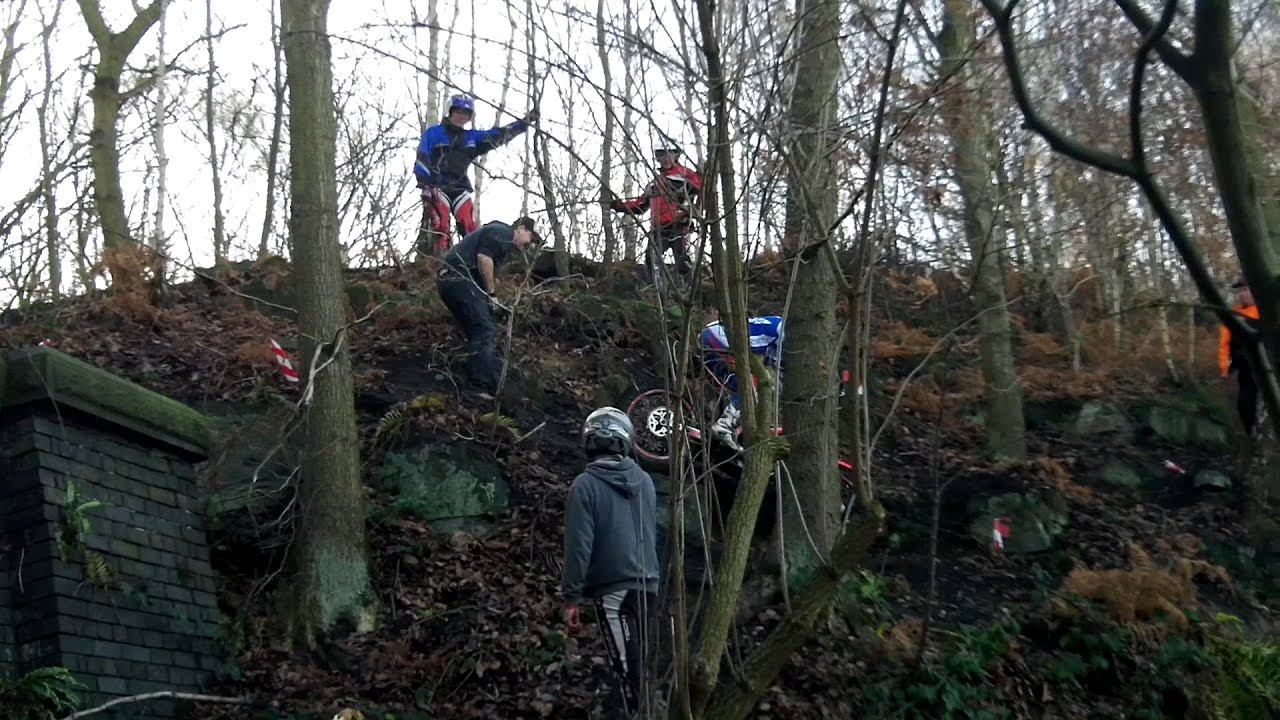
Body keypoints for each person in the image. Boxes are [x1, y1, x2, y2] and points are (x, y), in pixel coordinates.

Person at [562, 407, 659, 720]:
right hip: (649, 585)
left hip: (614, 589)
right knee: (641, 665)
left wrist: (572, 597)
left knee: (628, 671)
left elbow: (579, 545)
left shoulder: (584, 485)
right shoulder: (644, 480)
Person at [414, 94, 538, 255]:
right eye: (458, 111)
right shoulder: (434, 133)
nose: (461, 116)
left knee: (469, 226)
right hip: (437, 185)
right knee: (441, 225)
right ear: (450, 112)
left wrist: (525, 122)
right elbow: (422, 157)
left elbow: (498, 135)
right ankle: (441, 261)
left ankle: (469, 260)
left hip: (460, 186)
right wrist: (425, 182)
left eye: (466, 113)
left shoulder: (471, 138)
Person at [437, 217, 541, 398]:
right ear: (521, 228)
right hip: (459, 278)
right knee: (485, 330)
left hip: (453, 280)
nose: (530, 244)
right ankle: (478, 387)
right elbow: (484, 258)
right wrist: (492, 294)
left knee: (479, 329)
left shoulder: (499, 237)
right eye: (531, 238)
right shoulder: (504, 233)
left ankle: (484, 381)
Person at [609, 141, 703, 281]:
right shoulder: (655, 182)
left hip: (680, 224)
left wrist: (675, 186)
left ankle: (690, 293)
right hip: (658, 228)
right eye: (661, 155)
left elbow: (698, 187)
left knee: (683, 262)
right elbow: (640, 205)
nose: (665, 158)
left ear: (676, 155)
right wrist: (617, 205)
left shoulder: (685, 174)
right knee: (651, 259)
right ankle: (657, 291)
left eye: (668, 154)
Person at [698, 314, 784, 451]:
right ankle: (723, 426)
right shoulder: (786, 333)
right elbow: (785, 373)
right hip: (719, 340)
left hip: (712, 336)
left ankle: (719, 418)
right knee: (750, 386)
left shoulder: (779, 327)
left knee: (739, 386)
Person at [1219, 278, 1262, 436]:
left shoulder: (1263, 311)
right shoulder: (1233, 315)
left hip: (1263, 363)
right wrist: (1225, 368)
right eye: (1240, 291)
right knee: (1244, 404)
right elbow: (1224, 343)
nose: (1242, 294)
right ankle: (1249, 432)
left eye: (1246, 290)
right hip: (1241, 365)